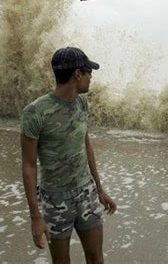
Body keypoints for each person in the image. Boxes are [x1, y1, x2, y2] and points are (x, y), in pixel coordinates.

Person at [20, 46, 116, 264]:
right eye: (89, 72)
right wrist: (35, 216)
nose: (91, 77)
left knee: (97, 260)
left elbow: (86, 146)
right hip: (55, 199)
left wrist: (99, 190)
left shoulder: (82, 103)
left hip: (86, 194)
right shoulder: (35, 112)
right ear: (78, 74)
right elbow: (28, 165)